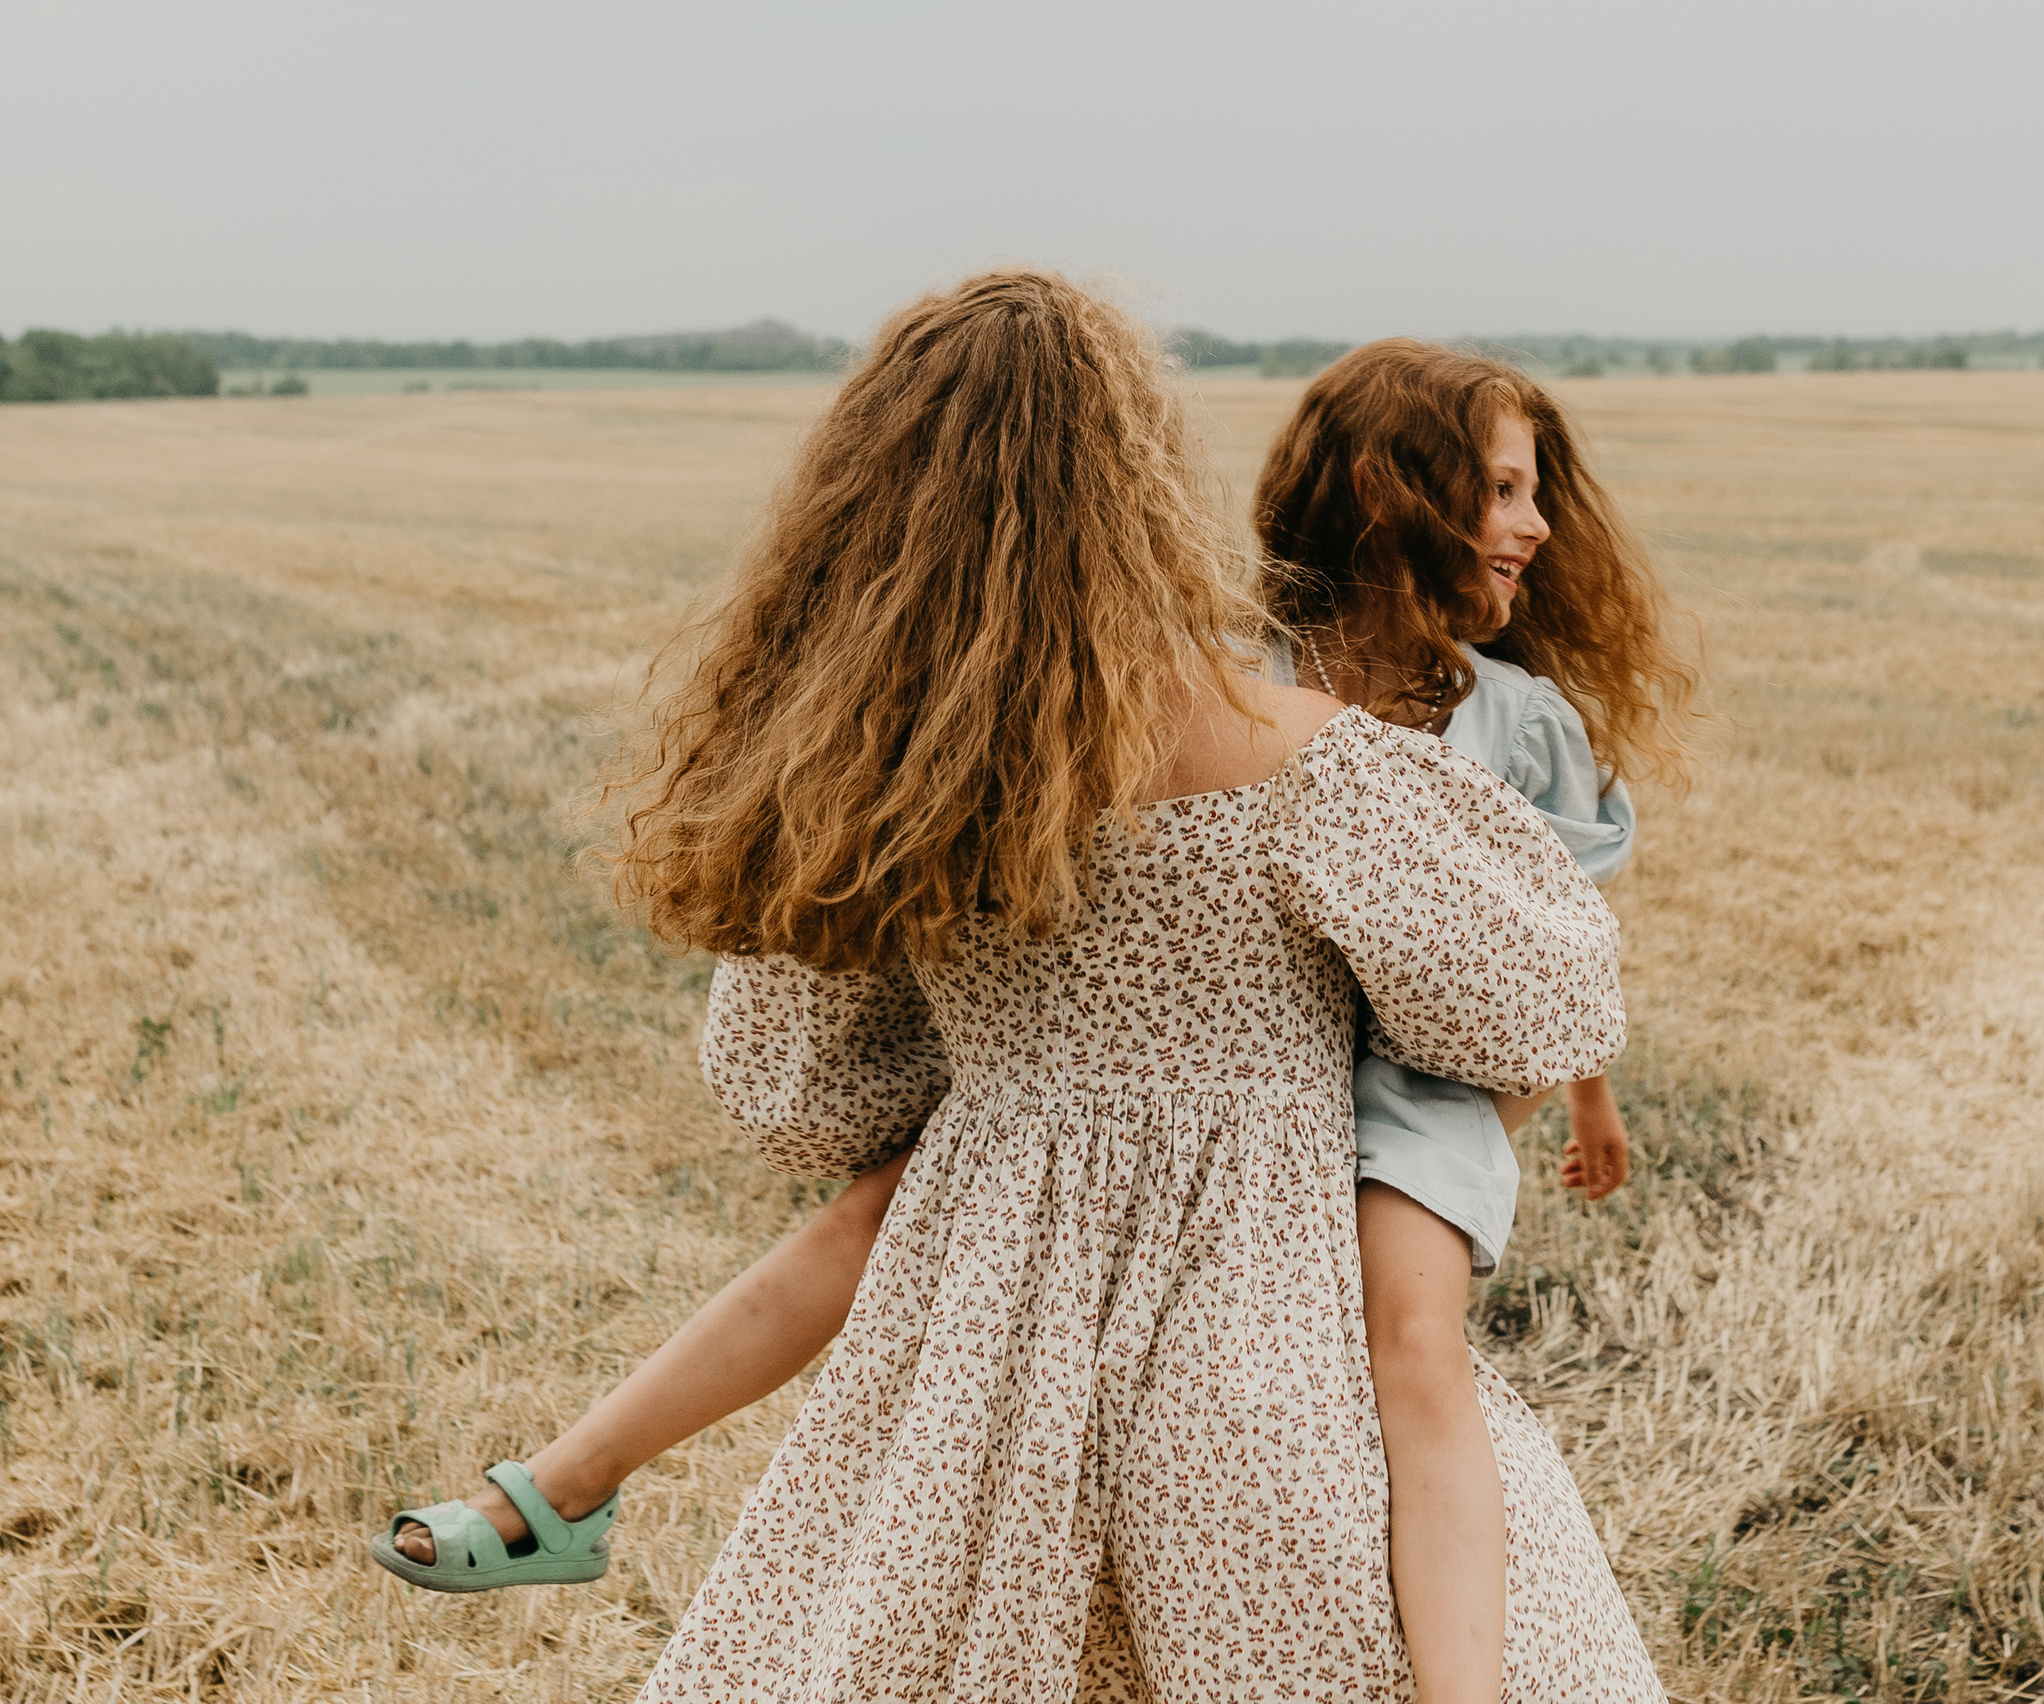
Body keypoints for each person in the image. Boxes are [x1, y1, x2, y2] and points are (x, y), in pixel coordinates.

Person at [371, 271, 1665, 1699]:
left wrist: (1021, 1114)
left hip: (978, 1332)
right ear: (1145, 484)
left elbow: (804, 1096)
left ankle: (559, 1486)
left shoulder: (904, 784)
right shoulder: (1313, 769)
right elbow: (1540, 1011)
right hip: (1259, 1310)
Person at [1253, 338, 1696, 1703]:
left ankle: (1461, 1687)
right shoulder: (1245, 674)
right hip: (1258, 1073)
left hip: (1426, 1101)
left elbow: (1555, 952)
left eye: (1536, 492)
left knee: (1413, 1341)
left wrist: (1589, 1096)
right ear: (1397, 496)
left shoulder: (1516, 724)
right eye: (1504, 491)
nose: (1539, 525)